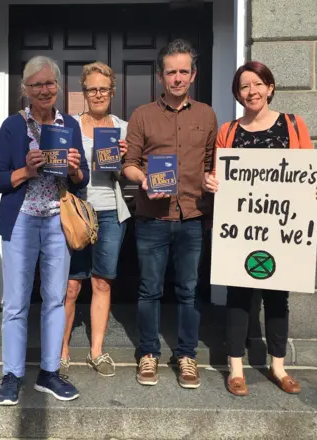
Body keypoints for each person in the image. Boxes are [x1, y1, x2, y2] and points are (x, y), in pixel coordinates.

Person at [202, 61, 317, 396]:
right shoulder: (228, 131)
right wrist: (211, 181)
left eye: (258, 84)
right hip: (241, 230)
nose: (252, 92)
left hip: (279, 229)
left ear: (270, 88)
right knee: (238, 298)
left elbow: (308, 172)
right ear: (237, 94)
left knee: (277, 298)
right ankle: (235, 369)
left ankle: (277, 366)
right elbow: (217, 175)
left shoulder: (292, 125)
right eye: (244, 87)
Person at [0, 56, 89, 405]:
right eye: (36, 85)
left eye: (50, 83)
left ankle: (48, 372)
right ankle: (12, 375)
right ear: (25, 90)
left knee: (55, 300)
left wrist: (75, 169)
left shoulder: (70, 124)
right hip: (22, 220)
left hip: (58, 221)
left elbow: (83, 178)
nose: (44, 90)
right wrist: (24, 172)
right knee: (16, 303)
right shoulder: (14, 126)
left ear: (58, 87)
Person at [122, 39, 217, 388]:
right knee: (149, 289)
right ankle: (148, 353)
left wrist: (212, 179)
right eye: (170, 72)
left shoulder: (207, 115)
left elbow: (211, 163)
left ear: (193, 75)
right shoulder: (142, 115)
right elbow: (128, 164)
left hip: (192, 217)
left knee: (189, 290)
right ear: (160, 77)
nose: (177, 78)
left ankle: (186, 355)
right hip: (152, 218)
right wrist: (143, 179)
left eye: (183, 71)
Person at [59, 62, 130, 378]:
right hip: (76, 212)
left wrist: (125, 159)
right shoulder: (69, 126)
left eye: (104, 88)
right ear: (83, 92)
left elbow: (127, 174)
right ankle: (60, 353)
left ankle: (96, 351)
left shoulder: (124, 128)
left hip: (111, 212)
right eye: (92, 89)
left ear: (112, 92)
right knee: (71, 285)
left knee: (102, 280)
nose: (98, 94)